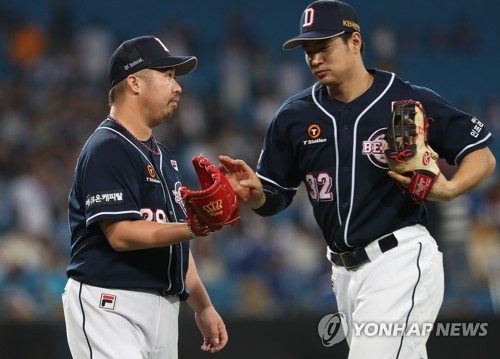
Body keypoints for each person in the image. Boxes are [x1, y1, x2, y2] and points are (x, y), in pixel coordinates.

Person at [218, 1, 496, 358]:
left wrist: (450, 188)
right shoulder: (294, 116)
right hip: (344, 275)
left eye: (324, 47)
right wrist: (257, 194)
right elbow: (276, 196)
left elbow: (482, 155)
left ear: (355, 42)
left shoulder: (404, 99)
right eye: (308, 50)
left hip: (399, 259)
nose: (315, 58)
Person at [63, 35, 228, 358]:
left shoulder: (162, 155)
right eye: (167, 75)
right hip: (110, 303)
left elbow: (175, 240)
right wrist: (193, 227)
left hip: (163, 307)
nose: (177, 87)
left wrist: (203, 305)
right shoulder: (108, 146)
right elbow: (121, 234)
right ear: (135, 83)